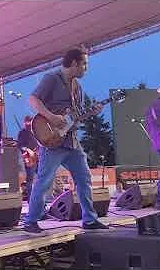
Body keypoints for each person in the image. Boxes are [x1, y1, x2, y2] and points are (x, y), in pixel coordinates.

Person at [24, 47, 108, 233]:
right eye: (84, 64)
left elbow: (75, 116)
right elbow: (33, 99)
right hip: (53, 141)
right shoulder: (51, 78)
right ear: (74, 63)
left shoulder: (77, 86)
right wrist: (51, 117)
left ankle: (89, 219)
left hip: (71, 140)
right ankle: (30, 220)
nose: (86, 68)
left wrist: (92, 111)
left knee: (84, 177)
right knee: (44, 181)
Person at [17, 115, 39, 202]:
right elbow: (20, 145)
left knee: (42, 176)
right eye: (27, 122)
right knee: (30, 179)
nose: (28, 124)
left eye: (30, 122)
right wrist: (28, 149)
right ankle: (30, 200)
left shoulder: (36, 131)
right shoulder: (22, 132)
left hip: (38, 157)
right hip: (29, 158)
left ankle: (39, 198)